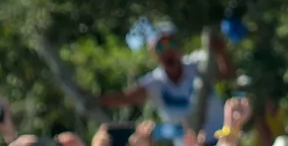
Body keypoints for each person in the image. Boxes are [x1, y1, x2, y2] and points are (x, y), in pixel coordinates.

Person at [95, 21, 234, 139]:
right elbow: (124, 98)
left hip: (222, 143)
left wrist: (221, 52)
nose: (168, 51)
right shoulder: (154, 83)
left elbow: (228, 74)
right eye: (160, 47)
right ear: (153, 53)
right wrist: (92, 100)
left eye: (172, 44)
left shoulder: (199, 64)